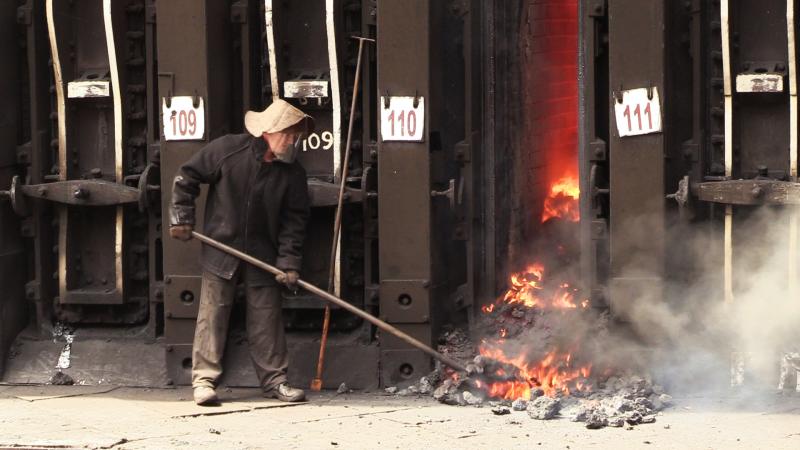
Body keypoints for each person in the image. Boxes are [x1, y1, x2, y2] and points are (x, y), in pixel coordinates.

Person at [169, 99, 312, 406]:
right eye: (287, 134)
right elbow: (187, 177)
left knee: (266, 319)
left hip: (264, 257)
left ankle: (276, 382)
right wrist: (181, 218)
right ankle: (204, 382)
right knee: (213, 314)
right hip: (222, 250)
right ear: (268, 131)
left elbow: (294, 222)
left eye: (294, 135)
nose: (292, 140)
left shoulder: (293, 174)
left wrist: (288, 262)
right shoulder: (227, 151)